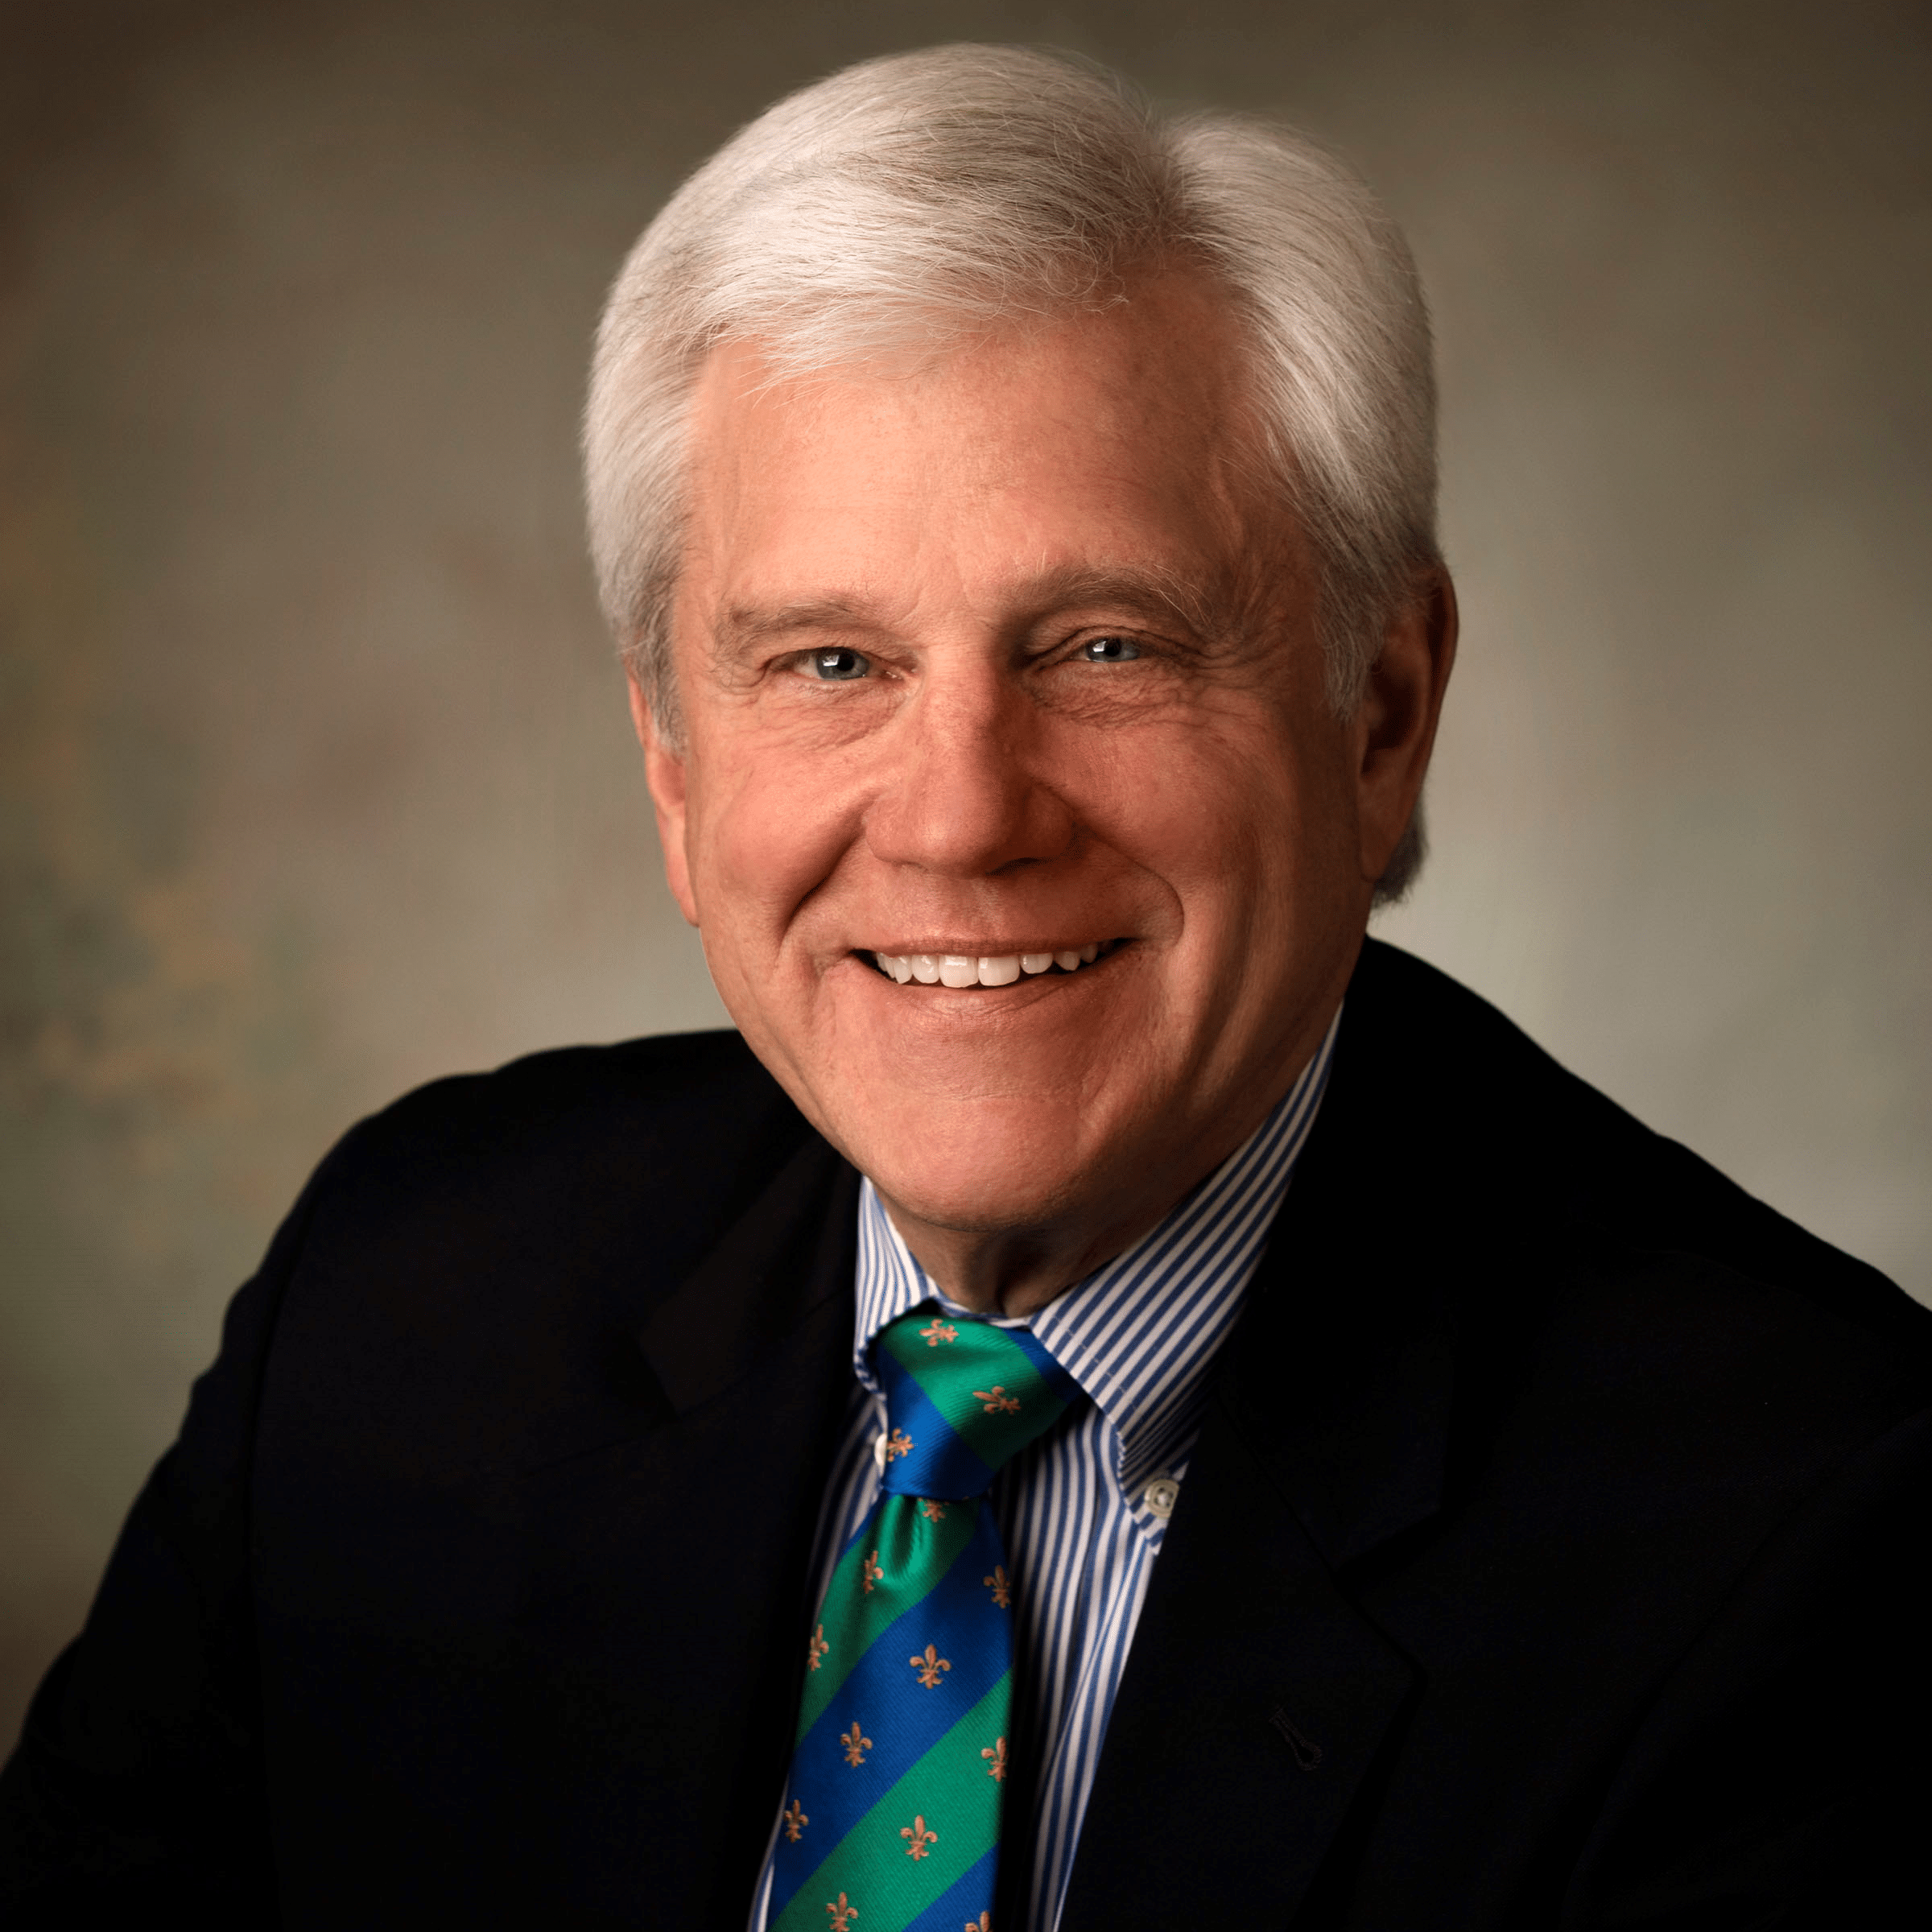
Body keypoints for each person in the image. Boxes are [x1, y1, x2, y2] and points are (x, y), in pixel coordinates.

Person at [3, 41, 1927, 1932]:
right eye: (829, 663)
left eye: (1104, 645)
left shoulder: (1811, 1535)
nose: (959, 817)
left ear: (1380, 717)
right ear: (675, 765)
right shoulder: (402, 1308)